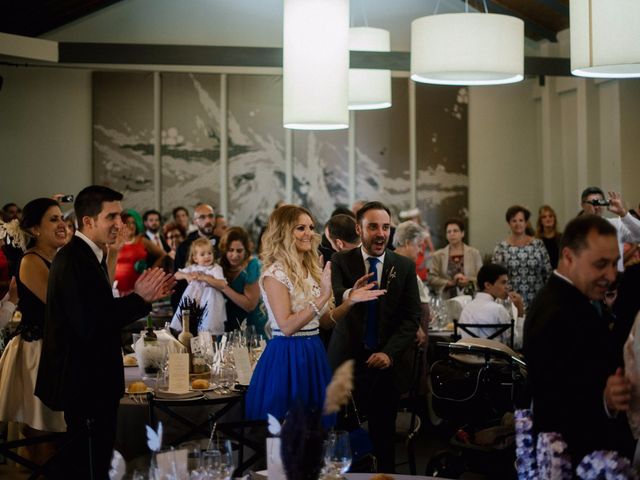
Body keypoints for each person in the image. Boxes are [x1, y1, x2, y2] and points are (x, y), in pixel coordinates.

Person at [34, 185, 175, 479]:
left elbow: (98, 311)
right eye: (112, 217)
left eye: (121, 217)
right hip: (85, 384)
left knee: (96, 461)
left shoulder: (90, 255)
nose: (120, 224)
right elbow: (90, 324)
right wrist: (139, 299)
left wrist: (141, 299)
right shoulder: (74, 260)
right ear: (88, 221)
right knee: (89, 465)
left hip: (93, 381)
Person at [245, 205, 384, 424]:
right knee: (289, 432)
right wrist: (323, 296)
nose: (309, 233)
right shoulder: (275, 274)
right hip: (287, 355)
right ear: (283, 232)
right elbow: (288, 326)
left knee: (317, 431)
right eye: (300, 228)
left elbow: (326, 322)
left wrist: (350, 301)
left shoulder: (309, 269)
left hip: (314, 350)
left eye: (310, 227)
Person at [524, 214, 635, 465]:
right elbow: (555, 401)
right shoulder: (558, 312)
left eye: (615, 263)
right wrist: (605, 401)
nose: (611, 275)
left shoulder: (569, 300)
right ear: (568, 257)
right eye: (600, 264)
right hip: (574, 457)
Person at [328, 201, 422, 472]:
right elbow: (336, 294)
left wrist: (389, 353)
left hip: (385, 366)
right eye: (373, 227)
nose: (381, 233)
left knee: (383, 439)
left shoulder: (403, 266)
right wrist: (349, 295)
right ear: (359, 229)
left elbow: (411, 317)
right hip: (346, 363)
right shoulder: (340, 260)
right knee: (344, 441)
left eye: (385, 227)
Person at [0, 198, 68, 452]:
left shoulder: (59, 258)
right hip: (37, 352)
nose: (62, 224)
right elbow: (61, 307)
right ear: (35, 230)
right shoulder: (30, 261)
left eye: (62, 217)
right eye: (53, 219)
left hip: (55, 349)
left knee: (60, 428)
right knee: (43, 426)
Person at [492, 205, 552, 308]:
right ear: (508, 223)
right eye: (514, 221)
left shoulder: (538, 245)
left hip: (538, 302)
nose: (518, 224)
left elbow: (548, 273)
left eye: (521, 220)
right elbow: (495, 277)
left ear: (526, 222)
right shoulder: (501, 248)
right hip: (511, 302)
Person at [170, 238, 227, 336]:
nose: (207, 256)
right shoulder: (193, 268)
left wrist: (204, 278)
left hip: (210, 303)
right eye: (202, 254)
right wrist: (186, 276)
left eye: (209, 253)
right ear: (195, 258)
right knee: (189, 328)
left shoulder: (215, 269)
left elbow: (222, 284)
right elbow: (176, 275)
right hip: (194, 301)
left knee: (208, 330)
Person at [218, 227, 267, 336]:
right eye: (230, 250)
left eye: (239, 251)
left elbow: (250, 305)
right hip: (226, 326)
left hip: (251, 326)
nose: (235, 255)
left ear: (246, 250)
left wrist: (223, 287)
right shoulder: (220, 266)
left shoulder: (252, 266)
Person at [458, 263, 524, 343]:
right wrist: (520, 310)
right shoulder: (498, 309)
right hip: (495, 355)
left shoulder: (466, 308)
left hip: (467, 354)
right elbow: (517, 344)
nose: (507, 287)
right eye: (503, 282)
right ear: (488, 285)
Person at [580, 187, 640, 271]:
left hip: (616, 279)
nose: (597, 207)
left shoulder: (615, 225)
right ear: (583, 205)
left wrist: (623, 213)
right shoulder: (576, 230)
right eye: (593, 203)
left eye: (600, 202)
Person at [392, 220, 431, 347]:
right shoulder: (395, 264)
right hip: (408, 333)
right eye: (419, 245)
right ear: (407, 243)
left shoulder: (406, 265)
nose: (420, 251)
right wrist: (416, 326)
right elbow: (397, 301)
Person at [172, 203, 217, 310]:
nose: (208, 221)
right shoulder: (184, 246)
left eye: (211, 216)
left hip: (215, 300)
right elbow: (176, 277)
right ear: (194, 221)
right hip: (191, 302)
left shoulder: (222, 243)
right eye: (202, 217)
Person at [114, 211, 167, 296]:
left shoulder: (142, 240)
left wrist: (151, 271)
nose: (131, 225)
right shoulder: (114, 241)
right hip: (117, 285)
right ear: (121, 225)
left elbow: (163, 255)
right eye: (127, 222)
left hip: (138, 283)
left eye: (133, 223)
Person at [429, 218, 483, 299]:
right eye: (449, 232)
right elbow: (431, 278)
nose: (452, 234)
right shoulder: (438, 255)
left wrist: (468, 281)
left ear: (462, 233)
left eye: (455, 231)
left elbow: (482, 277)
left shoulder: (474, 253)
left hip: (471, 297)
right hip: (447, 298)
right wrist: (450, 283)